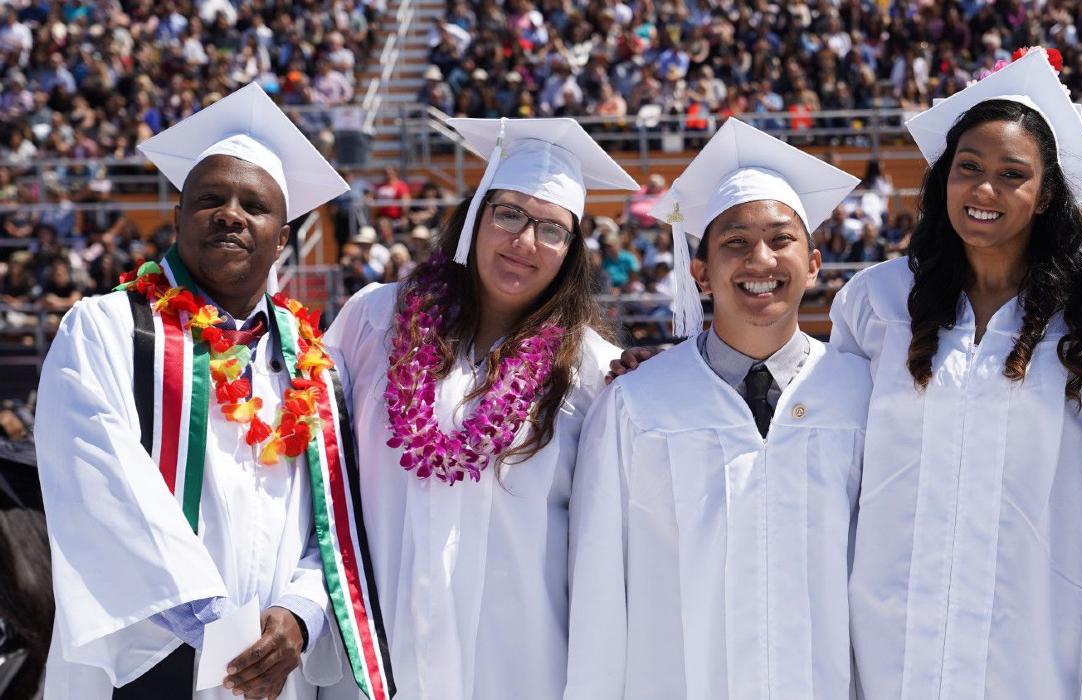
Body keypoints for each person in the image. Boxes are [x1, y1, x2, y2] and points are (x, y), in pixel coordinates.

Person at [34, 83, 393, 699]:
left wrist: (301, 618)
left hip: (280, 672)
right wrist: (222, 631)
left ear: (283, 239)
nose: (230, 213)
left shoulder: (313, 365)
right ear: (178, 217)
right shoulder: (108, 328)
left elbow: (333, 518)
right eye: (209, 199)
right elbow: (103, 488)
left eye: (254, 205)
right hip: (149, 657)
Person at [320, 117, 639, 699]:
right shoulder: (376, 320)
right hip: (374, 659)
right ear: (474, 217)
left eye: (551, 228)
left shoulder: (594, 372)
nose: (525, 242)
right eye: (509, 214)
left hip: (518, 667)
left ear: (570, 253)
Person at [832, 48, 1082, 699]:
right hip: (891, 638)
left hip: (1041, 644)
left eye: (1011, 174)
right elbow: (818, 442)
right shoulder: (875, 302)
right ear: (944, 179)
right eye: (969, 168)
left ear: (1045, 196)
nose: (984, 189)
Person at [565, 118, 870, 698]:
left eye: (782, 239)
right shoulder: (637, 403)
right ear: (700, 272)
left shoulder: (862, 394)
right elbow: (600, 587)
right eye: (734, 242)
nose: (760, 259)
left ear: (813, 264)